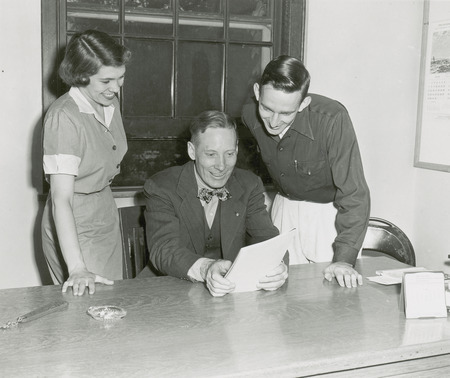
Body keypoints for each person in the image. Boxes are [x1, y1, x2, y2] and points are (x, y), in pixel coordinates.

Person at [241, 55, 370, 288]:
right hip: (282, 210)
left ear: (303, 104)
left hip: (328, 217)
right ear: (257, 92)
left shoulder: (332, 119)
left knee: (333, 298)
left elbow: (354, 193)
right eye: (267, 109)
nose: (274, 122)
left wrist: (344, 259)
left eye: (287, 113)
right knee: (277, 297)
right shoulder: (248, 115)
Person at [143, 110, 288, 297]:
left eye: (229, 154)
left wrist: (278, 267)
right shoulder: (161, 187)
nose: (221, 165)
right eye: (211, 154)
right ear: (192, 151)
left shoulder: (249, 184)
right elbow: (164, 250)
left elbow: (267, 238)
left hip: (229, 292)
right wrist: (206, 268)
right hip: (167, 289)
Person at [41, 30, 131, 296]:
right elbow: (61, 200)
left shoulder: (109, 102)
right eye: (106, 80)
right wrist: (78, 267)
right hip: (74, 221)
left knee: (113, 300)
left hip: (104, 211)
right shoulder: (63, 118)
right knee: (89, 308)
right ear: (81, 76)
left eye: (121, 77)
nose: (116, 88)